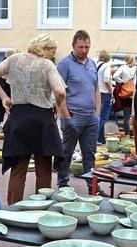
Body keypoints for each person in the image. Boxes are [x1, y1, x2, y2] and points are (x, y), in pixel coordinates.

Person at [0, 34, 66, 204]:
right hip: (43, 120)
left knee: (18, 168)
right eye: (52, 50)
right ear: (45, 48)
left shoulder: (14, 59)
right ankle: (40, 207)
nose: (53, 54)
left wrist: (3, 97)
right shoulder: (47, 64)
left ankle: (13, 211)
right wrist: (57, 106)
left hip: (19, 117)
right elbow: (60, 92)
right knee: (43, 169)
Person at [56, 30, 103, 194]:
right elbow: (58, 92)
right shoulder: (64, 64)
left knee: (90, 154)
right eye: (80, 47)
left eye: (87, 47)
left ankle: (93, 187)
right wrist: (67, 117)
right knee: (66, 153)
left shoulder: (92, 64)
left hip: (91, 118)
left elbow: (96, 88)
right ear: (73, 46)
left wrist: (97, 112)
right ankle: (62, 185)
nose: (84, 50)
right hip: (73, 116)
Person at [113, 54, 137, 136]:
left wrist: (123, 81)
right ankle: (135, 134)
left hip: (125, 95)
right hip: (135, 94)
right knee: (135, 116)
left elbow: (115, 76)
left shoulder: (123, 67)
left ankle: (127, 135)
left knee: (126, 117)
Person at [96, 49, 113, 144]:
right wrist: (111, 90)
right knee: (103, 117)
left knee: (99, 116)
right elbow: (106, 79)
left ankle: (101, 139)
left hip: (98, 92)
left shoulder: (98, 65)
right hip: (105, 93)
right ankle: (95, 138)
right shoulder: (106, 66)